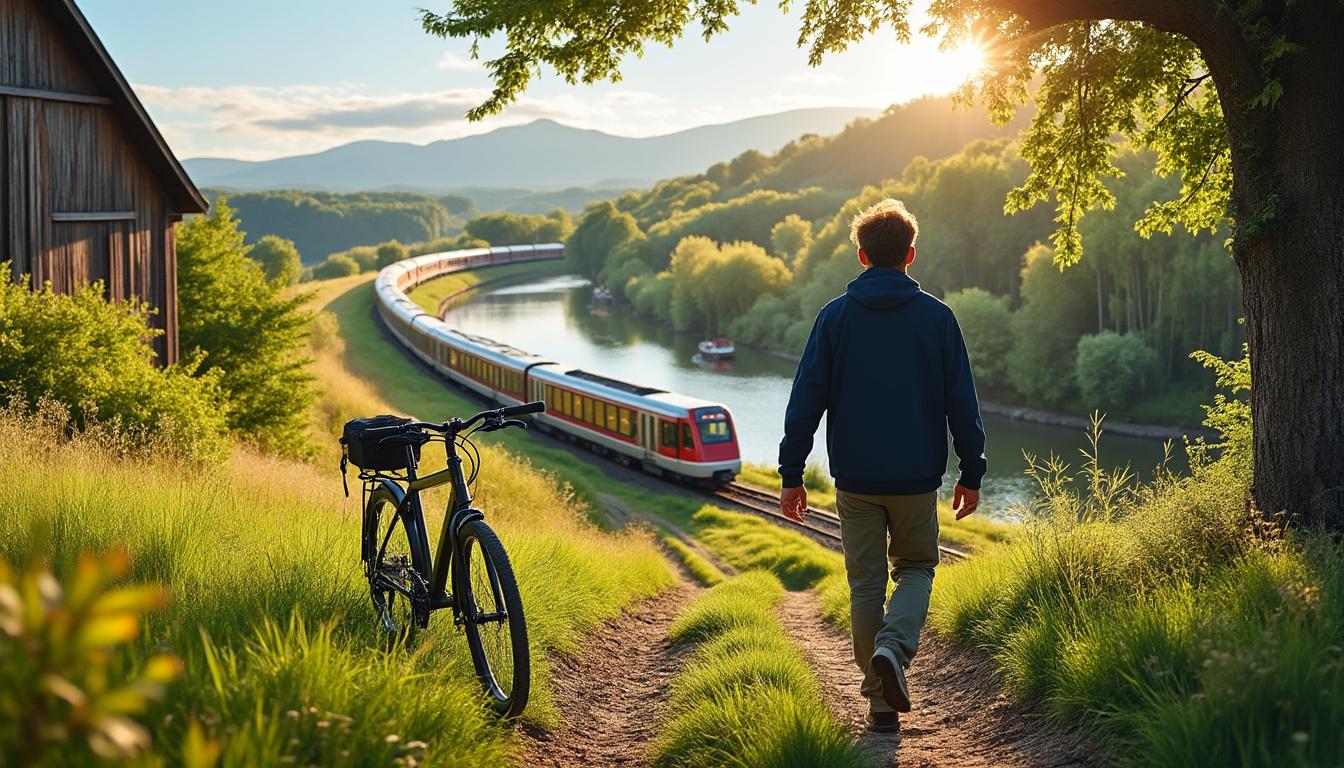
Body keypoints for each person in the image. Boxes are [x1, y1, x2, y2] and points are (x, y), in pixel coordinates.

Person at [777, 198, 986, 733]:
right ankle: (893, 649)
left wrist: (792, 474)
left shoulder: (835, 317)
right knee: (916, 568)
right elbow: (961, 402)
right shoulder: (938, 318)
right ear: (910, 255)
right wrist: (972, 471)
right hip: (916, 479)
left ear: (862, 255)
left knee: (866, 585)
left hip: (856, 479)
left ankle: (881, 705)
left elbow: (805, 401)